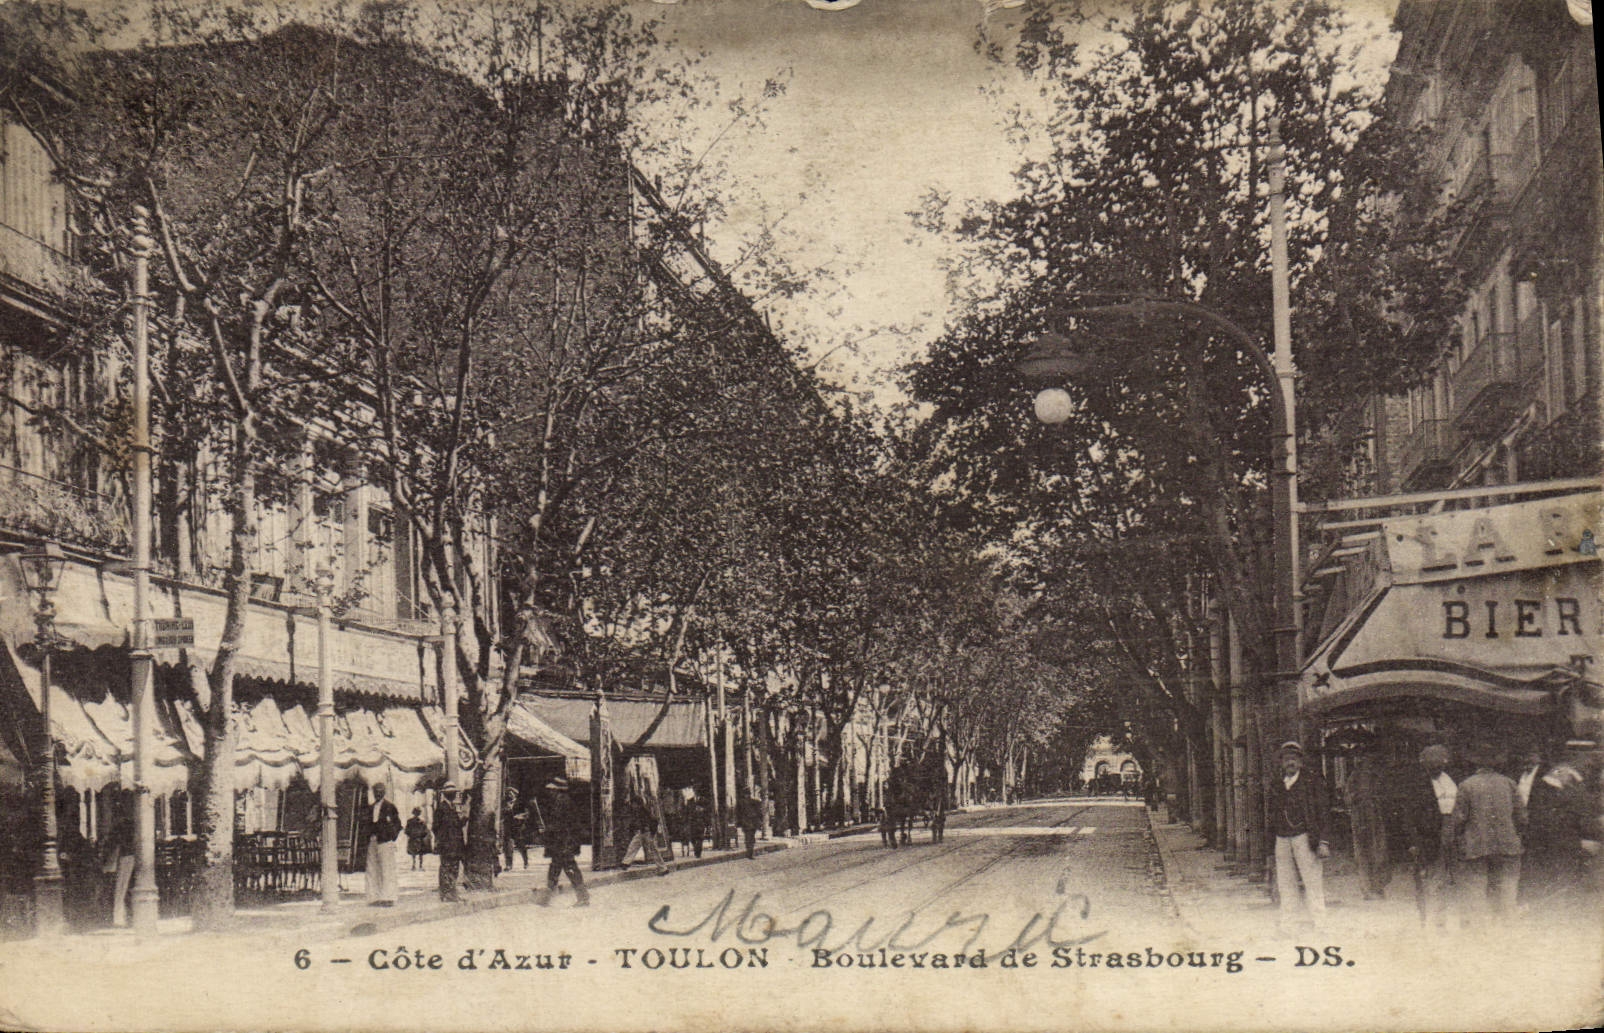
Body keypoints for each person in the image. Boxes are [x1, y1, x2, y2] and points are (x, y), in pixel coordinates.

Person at [1448, 742, 1525, 923]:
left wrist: (1458, 838)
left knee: (1476, 886)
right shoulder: (1509, 783)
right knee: (1507, 886)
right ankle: (1507, 923)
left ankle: (1479, 927)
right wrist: (1516, 834)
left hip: (1477, 844)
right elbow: (1522, 817)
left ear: (1475, 763)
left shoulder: (1466, 785)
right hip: (1507, 843)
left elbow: (1459, 818)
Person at [1268, 740, 1330, 931]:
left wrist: (1323, 841)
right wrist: (1270, 845)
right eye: (1287, 759)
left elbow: (1323, 812)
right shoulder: (1276, 784)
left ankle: (1321, 924)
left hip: (1305, 837)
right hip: (1282, 838)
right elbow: (1271, 815)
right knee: (1285, 883)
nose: (1290, 762)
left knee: (1312, 881)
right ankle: (1288, 924)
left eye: (1294, 759)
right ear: (1281, 762)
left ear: (1301, 762)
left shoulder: (1312, 782)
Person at [1399, 744, 1457, 930]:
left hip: (1450, 833)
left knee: (1444, 879)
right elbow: (1408, 816)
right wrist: (1412, 841)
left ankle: (1441, 918)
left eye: (1440, 763)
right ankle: (1427, 918)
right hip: (1427, 836)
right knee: (1427, 878)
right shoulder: (1416, 784)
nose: (1437, 767)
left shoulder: (1449, 781)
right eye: (1433, 763)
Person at [1520, 762, 1590, 908]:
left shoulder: (1571, 802)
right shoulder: (1552, 802)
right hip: (1552, 845)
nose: (1553, 791)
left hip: (1563, 846)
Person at [536, 777, 589, 907]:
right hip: (562, 843)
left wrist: (546, 831)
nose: (549, 792)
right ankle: (546, 898)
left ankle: (583, 897)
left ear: (557, 790)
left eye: (551, 790)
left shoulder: (562, 802)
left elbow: (561, 825)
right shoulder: (561, 801)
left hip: (564, 843)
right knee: (556, 868)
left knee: (568, 868)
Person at [1346, 754, 1392, 900]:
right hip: (1360, 819)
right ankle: (1367, 889)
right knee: (1363, 853)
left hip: (1375, 818)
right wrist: (1357, 799)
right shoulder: (1354, 778)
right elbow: (1348, 798)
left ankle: (1378, 886)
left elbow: (1384, 795)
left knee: (1378, 851)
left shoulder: (1375, 777)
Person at [360, 783, 402, 906]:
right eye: (376, 791)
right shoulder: (370, 808)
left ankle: (388, 898)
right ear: (373, 793)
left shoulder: (390, 807)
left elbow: (397, 824)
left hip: (385, 842)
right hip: (373, 841)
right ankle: (373, 898)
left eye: (380, 791)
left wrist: (391, 837)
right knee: (372, 869)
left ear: (384, 792)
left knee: (386, 869)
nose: (378, 793)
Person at [619, 789, 671, 875]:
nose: (632, 805)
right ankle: (625, 863)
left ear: (638, 804)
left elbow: (654, 821)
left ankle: (663, 868)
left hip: (647, 832)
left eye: (634, 804)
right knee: (633, 846)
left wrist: (652, 834)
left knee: (653, 850)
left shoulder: (645, 811)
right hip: (641, 832)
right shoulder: (636, 812)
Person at [433, 784, 467, 903]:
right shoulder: (442, 808)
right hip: (447, 845)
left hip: (455, 844)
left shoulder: (452, 807)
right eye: (452, 793)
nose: (454, 795)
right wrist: (442, 841)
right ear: (446, 794)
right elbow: (436, 827)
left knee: (453, 868)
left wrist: (463, 820)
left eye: (454, 793)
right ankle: (446, 893)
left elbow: (455, 826)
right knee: (447, 868)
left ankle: (451, 893)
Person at [503, 790, 530, 871]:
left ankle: (526, 861)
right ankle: (509, 865)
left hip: (518, 827)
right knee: (508, 847)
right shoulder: (504, 804)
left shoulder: (520, 803)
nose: (509, 795)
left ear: (515, 794)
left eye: (511, 793)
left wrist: (519, 816)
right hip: (508, 827)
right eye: (508, 793)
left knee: (521, 845)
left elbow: (527, 814)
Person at [737, 791, 762, 860]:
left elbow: (739, 814)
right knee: (750, 838)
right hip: (751, 823)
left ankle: (749, 852)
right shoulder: (754, 802)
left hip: (748, 823)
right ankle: (750, 853)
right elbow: (759, 812)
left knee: (749, 838)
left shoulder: (742, 802)